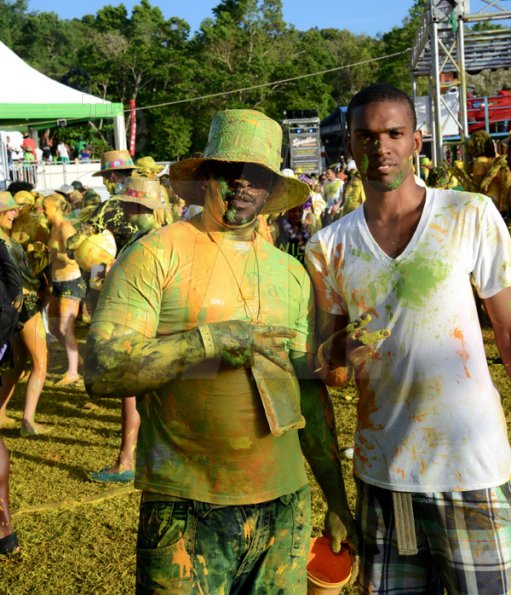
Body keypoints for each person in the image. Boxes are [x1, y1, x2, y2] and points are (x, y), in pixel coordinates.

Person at [85, 109, 356, 593]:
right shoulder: (156, 254)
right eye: (230, 171)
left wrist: (336, 499)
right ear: (207, 176)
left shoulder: (289, 273)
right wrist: (204, 342)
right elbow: (103, 371)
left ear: (271, 187)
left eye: (256, 175)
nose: (242, 185)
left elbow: (308, 398)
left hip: (285, 508)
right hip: (186, 507)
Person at [306, 83, 511, 594]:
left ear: (417, 139)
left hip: (473, 468)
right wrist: (337, 355)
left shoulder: (469, 215)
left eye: (394, 133)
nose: (381, 148)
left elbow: (507, 329)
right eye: (366, 136)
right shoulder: (328, 244)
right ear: (349, 146)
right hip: (384, 475)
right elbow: (326, 363)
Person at [86, 177, 165, 484]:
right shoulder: (142, 237)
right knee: (134, 395)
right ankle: (130, 459)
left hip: (144, 326)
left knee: (136, 394)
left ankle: (127, 461)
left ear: (134, 205)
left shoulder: (151, 241)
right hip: (138, 325)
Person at [0, 192, 48, 435]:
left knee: (17, 364)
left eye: (14, 209)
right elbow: (21, 277)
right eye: (8, 210)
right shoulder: (5, 244)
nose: (14, 213)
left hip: (12, 308)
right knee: (40, 363)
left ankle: (0, 413)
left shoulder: (6, 239)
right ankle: (28, 422)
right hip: (25, 305)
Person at [44, 193, 86, 386]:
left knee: (64, 327)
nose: (42, 210)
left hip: (70, 280)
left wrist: (53, 254)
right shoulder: (53, 227)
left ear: (57, 208)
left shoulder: (65, 228)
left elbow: (74, 256)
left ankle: (73, 372)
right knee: (53, 326)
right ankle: (77, 360)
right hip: (58, 281)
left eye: (46, 207)